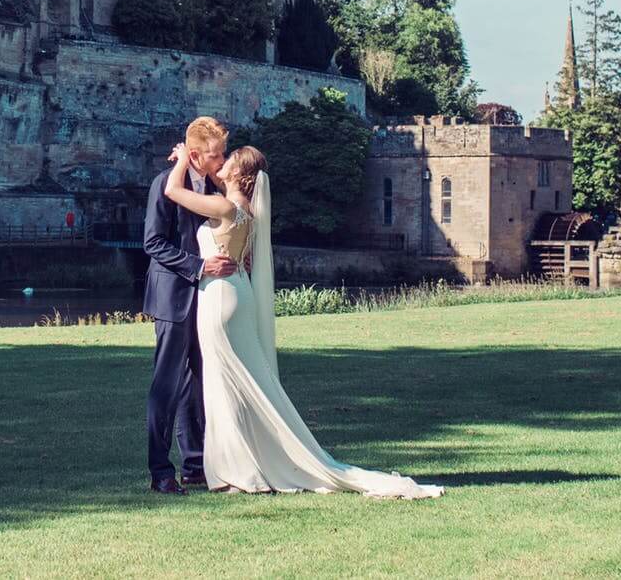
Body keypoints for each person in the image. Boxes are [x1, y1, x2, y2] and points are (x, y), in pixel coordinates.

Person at [163, 139, 446, 499]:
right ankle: (240, 466)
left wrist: (185, 158)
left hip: (220, 297)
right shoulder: (245, 209)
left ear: (237, 172)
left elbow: (173, 190)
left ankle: (239, 470)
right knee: (238, 384)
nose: (221, 160)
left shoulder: (223, 206)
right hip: (236, 292)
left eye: (228, 158)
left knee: (224, 386)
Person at [141, 117, 238, 494]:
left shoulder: (209, 185)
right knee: (165, 386)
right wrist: (199, 267)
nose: (222, 160)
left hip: (205, 298)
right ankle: (160, 471)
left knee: (197, 382)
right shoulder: (163, 186)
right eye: (216, 155)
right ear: (195, 156)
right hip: (173, 297)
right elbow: (153, 243)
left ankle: (195, 463)